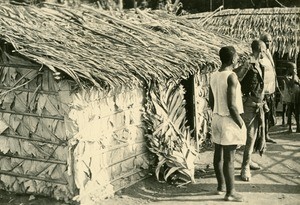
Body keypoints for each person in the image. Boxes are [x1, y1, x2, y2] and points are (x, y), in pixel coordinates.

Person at [209, 46, 246, 202]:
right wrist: (240, 122)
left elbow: (211, 101)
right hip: (228, 119)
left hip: (216, 117)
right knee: (230, 158)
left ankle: (221, 186)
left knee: (218, 153)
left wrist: (217, 112)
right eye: (236, 57)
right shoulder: (231, 77)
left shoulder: (213, 75)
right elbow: (232, 105)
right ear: (233, 59)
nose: (237, 59)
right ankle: (230, 192)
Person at [234, 40, 267, 181]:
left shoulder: (261, 66)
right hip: (248, 105)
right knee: (249, 136)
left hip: (258, 104)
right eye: (264, 49)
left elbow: (261, 85)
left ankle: (248, 161)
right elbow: (235, 78)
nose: (266, 52)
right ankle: (245, 167)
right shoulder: (248, 64)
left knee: (255, 135)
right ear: (259, 50)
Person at [260, 33, 278, 143]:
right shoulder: (260, 55)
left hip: (270, 90)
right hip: (263, 91)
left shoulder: (268, 53)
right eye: (266, 41)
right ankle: (261, 137)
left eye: (270, 41)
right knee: (263, 114)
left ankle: (266, 134)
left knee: (269, 115)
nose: (268, 43)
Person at [282, 62, 300, 132]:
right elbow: (291, 84)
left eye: (295, 68)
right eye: (293, 68)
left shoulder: (295, 76)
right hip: (290, 96)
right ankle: (289, 127)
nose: (295, 70)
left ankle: (298, 127)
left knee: (297, 111)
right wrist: (293, 75)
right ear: (289, 69)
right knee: (290, 111)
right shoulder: (286, 76)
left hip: (296, 96)